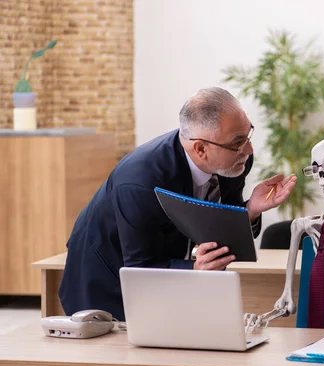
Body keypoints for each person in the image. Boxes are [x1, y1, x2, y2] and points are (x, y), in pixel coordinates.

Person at [58, 87, 297, 321]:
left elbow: (220, 227)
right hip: (106, 279)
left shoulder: (236, 159)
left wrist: (251, 210)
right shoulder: (139, 180)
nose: (249, 149)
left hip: (169, 275)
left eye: (248, 135)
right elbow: (140, 268)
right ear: (201, 148)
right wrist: (193, 268)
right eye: (238, 142)